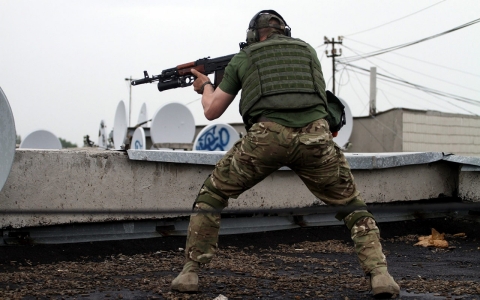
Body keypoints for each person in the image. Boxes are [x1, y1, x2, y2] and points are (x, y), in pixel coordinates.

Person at [171, 10, 400, 298]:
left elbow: (212, 110)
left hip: (267, 138)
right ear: (285, 32)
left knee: (212, 195)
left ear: (253, 35)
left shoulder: (245, 57)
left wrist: (205, 86)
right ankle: (380, 275)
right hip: (316, 137)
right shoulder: (308, 51)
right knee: (353, 207)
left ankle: (190, 272)